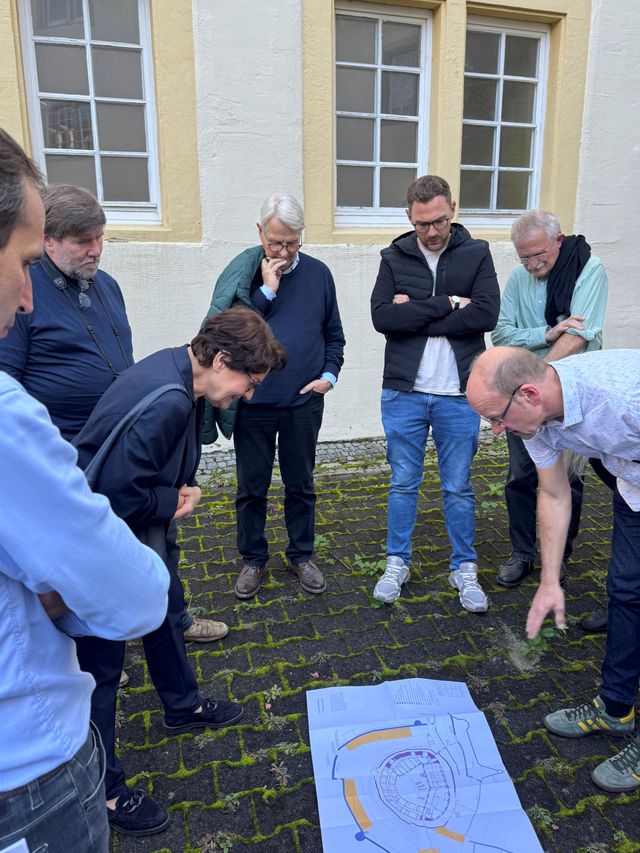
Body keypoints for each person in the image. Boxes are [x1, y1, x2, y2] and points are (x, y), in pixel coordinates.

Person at [0, 130, 169, 850]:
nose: (27, 294)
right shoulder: (10, 420)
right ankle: (109, 779)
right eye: (27, 259)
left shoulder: (109, 289)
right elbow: (135, 597)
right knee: (104, 647)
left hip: (89, 485)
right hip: (29, 768)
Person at [73, 307, 287, 835]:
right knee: (100, 670)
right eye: (248, 381)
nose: (249, 394)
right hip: (104, 543)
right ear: (219, 360)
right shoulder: (170, 400)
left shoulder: (177, 373)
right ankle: (103, 790)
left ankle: (182, 707)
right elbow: (118, 493)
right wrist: (174, 501)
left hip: (135, 534)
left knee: (167, 609)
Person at [0, 185, 224, 647]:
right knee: (81, 562)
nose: (96, 250)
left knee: (158, 540)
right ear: (49, 240)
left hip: (126, 444)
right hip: (68, 457)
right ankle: (91, 650)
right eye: (84, 241)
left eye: (100, 238)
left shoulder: (108, 287)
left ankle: (172, 619)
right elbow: (8, 387)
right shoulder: (23, 293)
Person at [466, 346, 640, 794]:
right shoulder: (536, 418)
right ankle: (615, 709)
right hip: (633, 484)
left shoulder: (626, 396)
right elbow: (555, 494)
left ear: (528, 394)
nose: (494, 430)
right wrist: (548, 581)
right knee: (625, 592)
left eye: (496, 418)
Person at [202, 195, 345, 600]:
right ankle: (252, 559)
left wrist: (328, 377)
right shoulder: (243, 276)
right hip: (252, 405)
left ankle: (301, 554)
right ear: (260, 232)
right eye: (275, 243)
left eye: (292, 243)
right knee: (252, 487)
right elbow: (227, 336)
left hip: (303, 402)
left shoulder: (319, 275)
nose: (283, 252)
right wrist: (266, 291)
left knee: (301, 484)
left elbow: (334, 335)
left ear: (302, 236)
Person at [370, 175, 500, 612]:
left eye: (440, 221)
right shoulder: (393, 256)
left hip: (459, 393)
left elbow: (486, 314)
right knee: (403, 483)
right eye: (423, 223)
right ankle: (397, 562)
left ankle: (464, 566)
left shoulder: (477, 253)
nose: (432, 231)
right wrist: (448, 303)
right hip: (403, 391)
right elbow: (383, 318)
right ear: (410, 217)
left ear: (453, 210)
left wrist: (417, 312)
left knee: (458, 487)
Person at [492, 210, 608, 593]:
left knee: (568, 480)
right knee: (521, 476)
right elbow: (501, 334)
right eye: (523, 257)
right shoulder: (517, 279)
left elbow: (579, 336)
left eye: (538, 253)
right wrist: (546, 331)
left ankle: (556, 557)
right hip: (523, 399)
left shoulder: (589, 270)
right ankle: (522, 554)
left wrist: (534, 387)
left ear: (558, 241)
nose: (531, 263)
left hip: (570, 397)